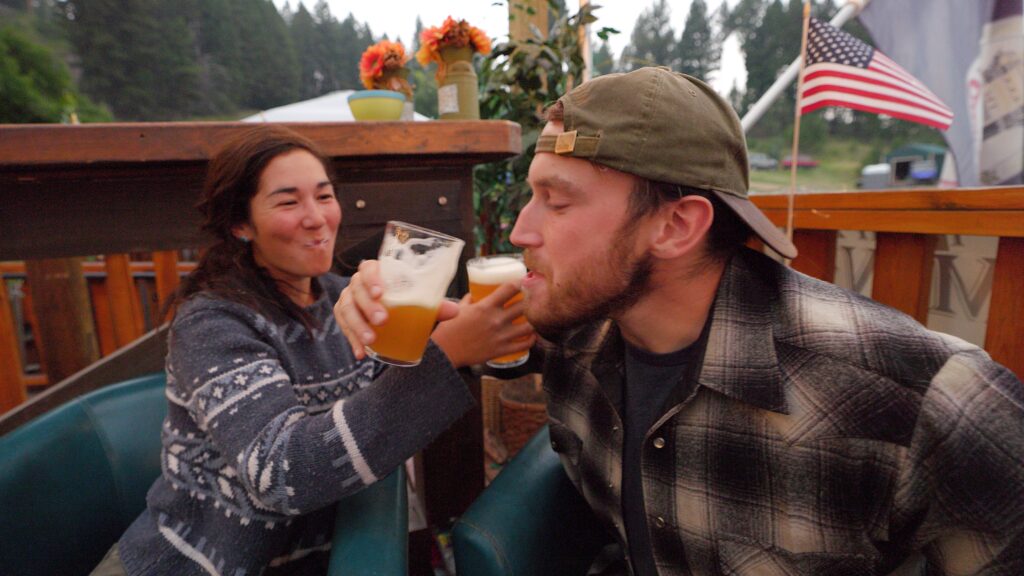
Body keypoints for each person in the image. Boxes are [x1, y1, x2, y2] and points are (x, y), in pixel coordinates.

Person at [336, 67, 1024, 575]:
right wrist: (365, 303)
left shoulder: (923, 401)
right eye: (529, 197)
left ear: (676, 225)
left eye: (558, 201)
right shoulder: (581, 328)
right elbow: (463, 336)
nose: (520, 230)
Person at [99, 125, 532, 576]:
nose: (316, 218)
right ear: (240, 224)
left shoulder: (344, 298)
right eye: (288, 202)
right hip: (192, 563)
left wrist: (477, 334)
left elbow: (406, 369)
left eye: (324, 196)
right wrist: (446, 355)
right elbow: (281, 474)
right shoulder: (211, 323)